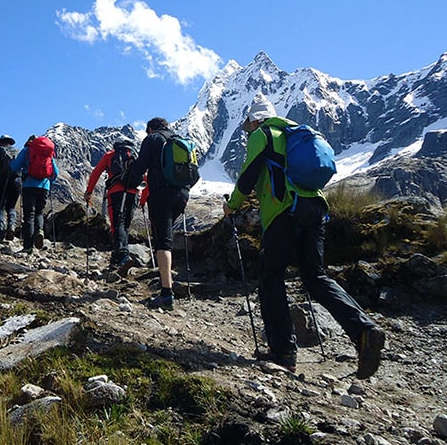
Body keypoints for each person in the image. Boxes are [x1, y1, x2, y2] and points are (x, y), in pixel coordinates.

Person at [223, 94, 386, 379]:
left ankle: (283, 353)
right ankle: (363, 330)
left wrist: (232, 205)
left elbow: (248, 177)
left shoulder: (263, 134)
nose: (246, 127)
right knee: (316, 277)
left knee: (271, 277)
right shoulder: (296, 132)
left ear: (254, 119)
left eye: (247, 122)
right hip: (314, 209)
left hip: (284, 212)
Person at [126, 117, 188, 309]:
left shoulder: (152, 139)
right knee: (166, 237)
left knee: (163, 242)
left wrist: (129, 174)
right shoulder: (179, 139)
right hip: (182, 194)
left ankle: (166, 293)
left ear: (151, 129)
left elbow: (140, 167)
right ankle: (169, 281)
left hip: (161, 194)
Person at [84, 140, 143, 274]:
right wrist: (143, 197)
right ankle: (118, 258)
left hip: (116, 191)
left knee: (117, 224)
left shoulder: (110, 155)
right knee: (126, 225)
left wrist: (89, 192)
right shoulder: (135, 155)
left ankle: (122, 255)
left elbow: (96, 173)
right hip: (133, 192)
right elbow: (143, 176)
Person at [11, 135, 58, 255]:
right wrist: (48, 182)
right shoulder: (48, 152)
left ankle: (28, 247)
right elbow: (55, 173)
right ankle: (40, 231)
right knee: (39, 212)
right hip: (44, 186)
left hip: (28, 185)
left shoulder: (27, 150)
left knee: (29, 216)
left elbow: (14, 166)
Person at [0, 134, 22, 243]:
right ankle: (11, 226)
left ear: (1, 142)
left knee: (0, 207)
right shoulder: (18, 151)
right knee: (11, 207)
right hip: (17, 181)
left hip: (2, 180)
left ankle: (0, 234)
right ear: (10, 142)